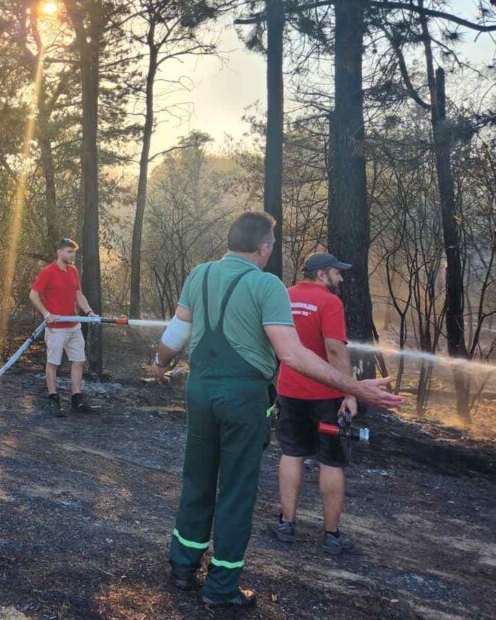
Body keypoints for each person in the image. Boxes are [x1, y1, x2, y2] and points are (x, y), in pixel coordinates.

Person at [150, 212, 401, 607]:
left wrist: (161, 363)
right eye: (270, 246)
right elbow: (292, 354)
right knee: (236, 490)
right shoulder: (267, 285)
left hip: (199, 393)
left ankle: (183, 567)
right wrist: (353, 387)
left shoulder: (198, 274)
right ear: (263, 248)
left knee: (197, 478)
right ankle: (221, 589)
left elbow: (177, 333)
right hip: (244, 397)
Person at [271, 252, 357, 555]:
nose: (341, 278)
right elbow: (335, 351)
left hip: (289, 391)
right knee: (331, 460)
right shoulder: (330, 303)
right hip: (325, 397)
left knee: (291, 453)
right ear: (322, 274)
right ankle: (332, 536)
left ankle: (286, 524)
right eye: (337, 273)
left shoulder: (283, 296)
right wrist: (349, 392)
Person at [29, 237, 101, 417]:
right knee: (53, 363)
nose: (72, 255)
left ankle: (77, 397)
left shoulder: (73, 271)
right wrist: (47, 314)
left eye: (73, 252)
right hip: (56, 328)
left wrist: (89, 312)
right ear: (59, 252)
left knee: (79, 360)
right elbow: (33, 295)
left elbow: (79, 295)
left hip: (74, 325)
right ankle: (53, 398)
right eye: (69, 252)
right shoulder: (48, 272)